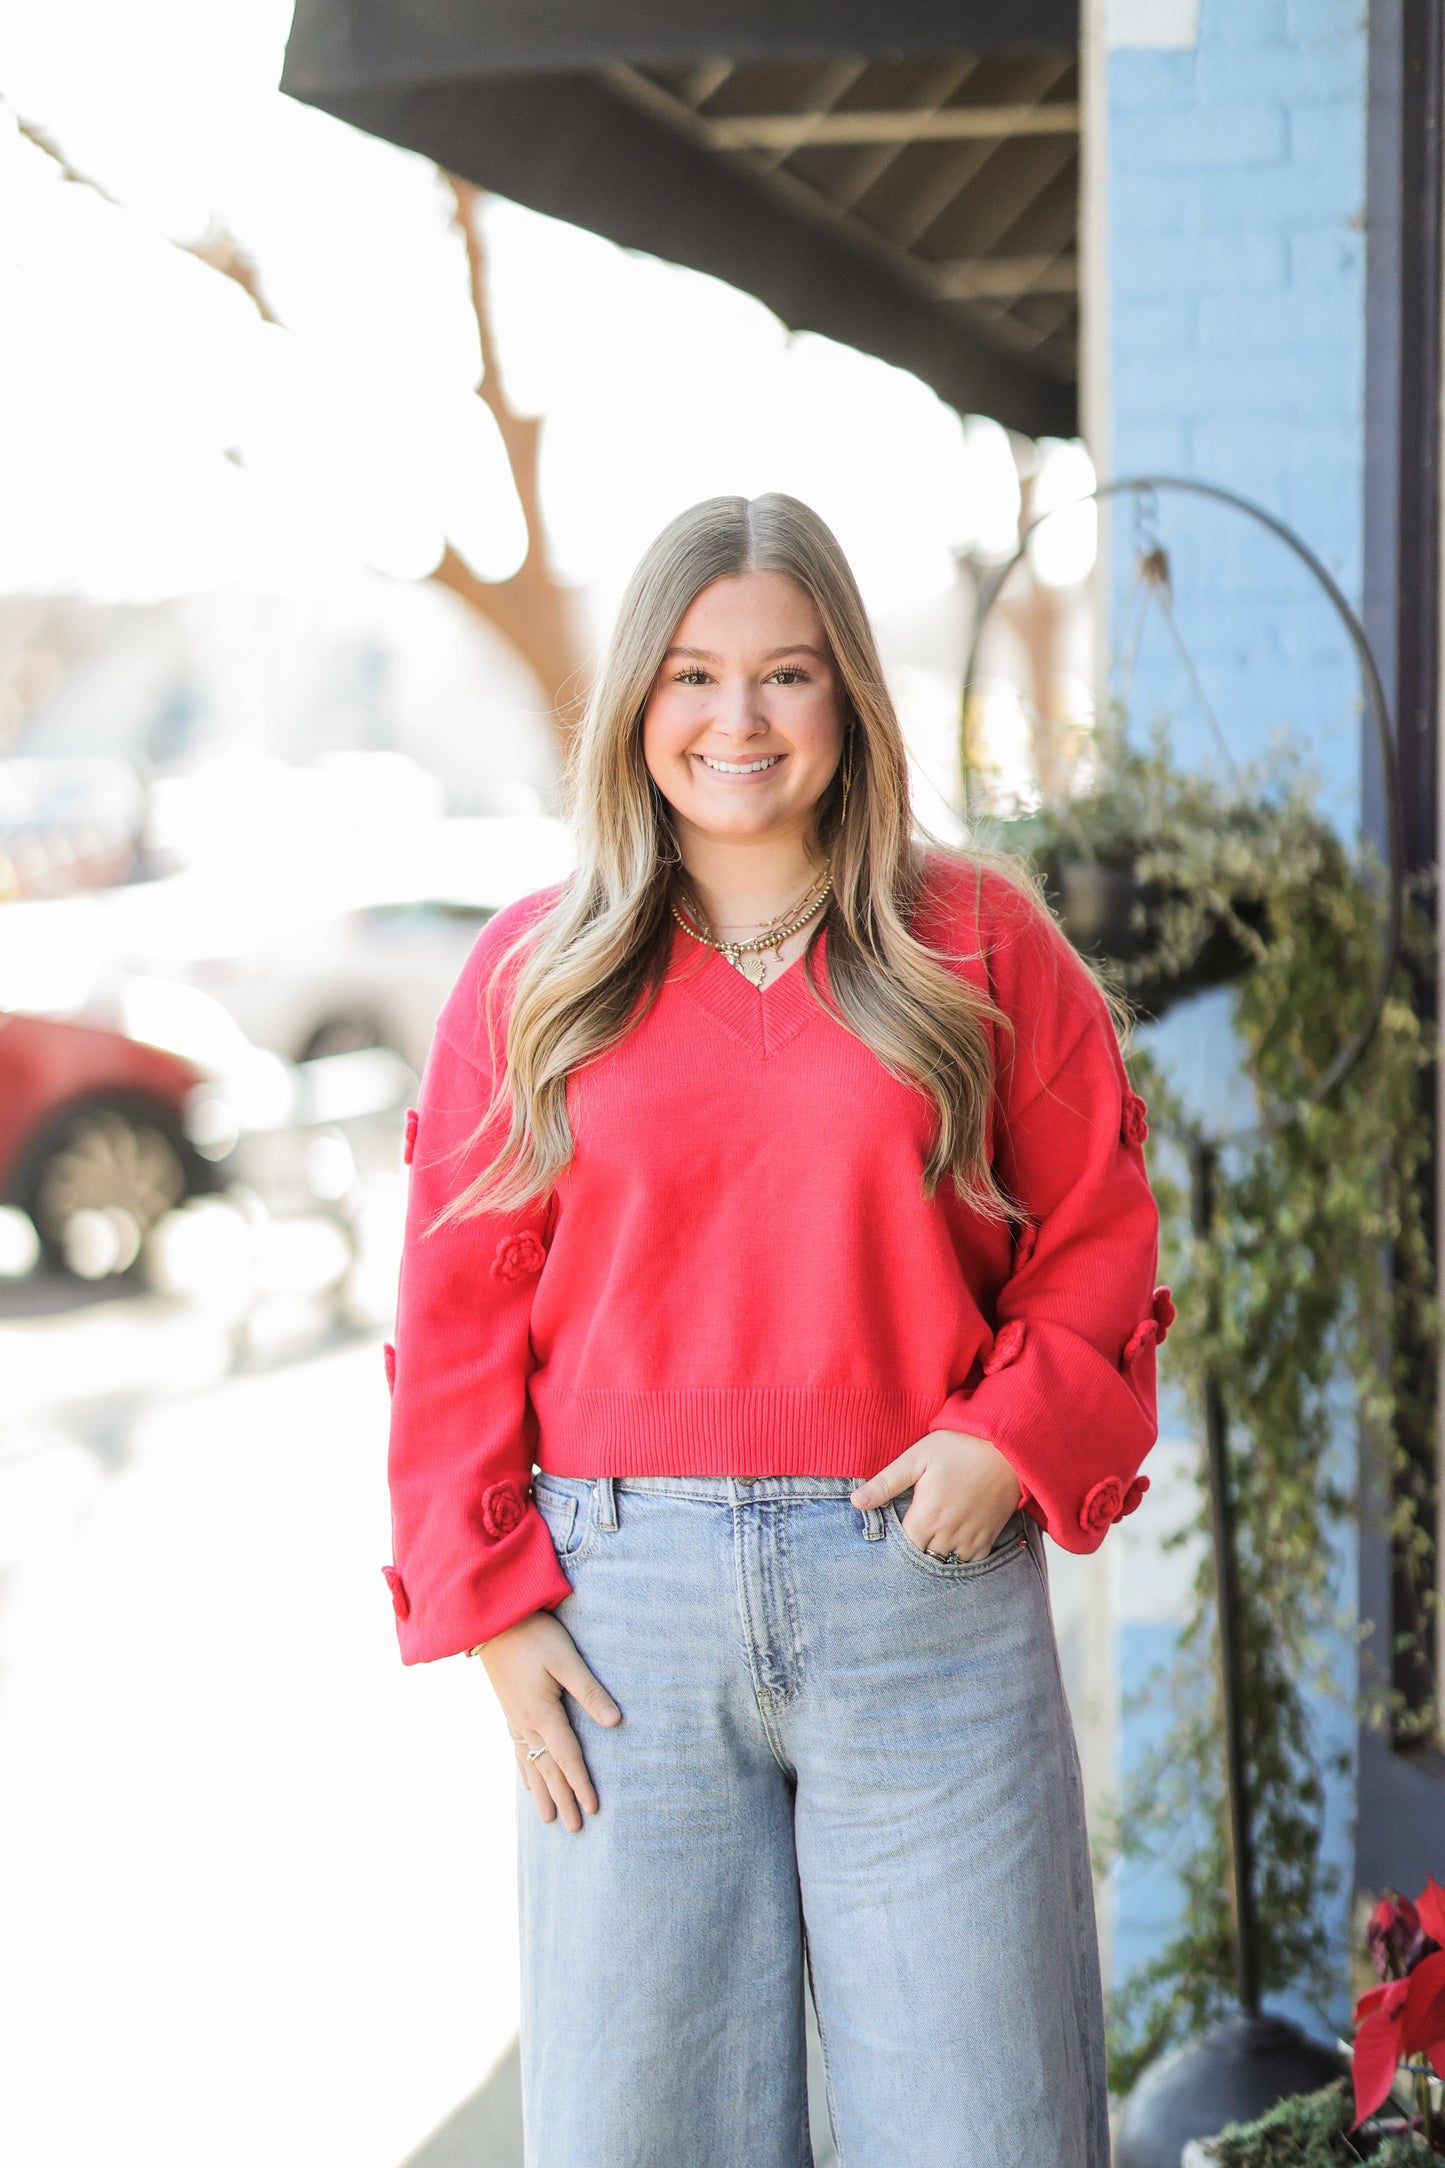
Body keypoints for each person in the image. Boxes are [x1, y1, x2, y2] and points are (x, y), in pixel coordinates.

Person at [381, 493, 1165, 2168]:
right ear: (635, 706)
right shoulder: (535, 973)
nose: (735, 721)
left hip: (922, 1608)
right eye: (690, 675)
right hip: (618, 1633)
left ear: (849, 702)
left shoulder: (976, 945)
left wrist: (1002, 1433)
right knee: (638, 2136)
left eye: (785, 676)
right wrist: (493, 1612)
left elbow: (1096, 1231)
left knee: (987, 2129)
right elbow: (455, 1314)